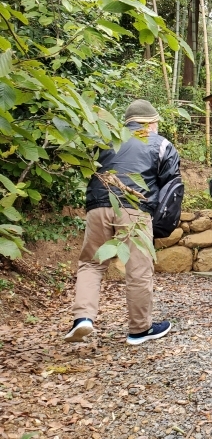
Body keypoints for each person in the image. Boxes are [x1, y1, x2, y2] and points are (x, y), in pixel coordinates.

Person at [65, 99, 181, 346]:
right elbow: (170, 185)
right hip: (134, 208)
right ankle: (140, 330)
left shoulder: (106, 139)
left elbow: (91, 171)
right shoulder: (161, 144)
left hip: (98, 206)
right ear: (151, 123)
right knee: (138, 269)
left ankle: (83, 318)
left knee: (91, 263)